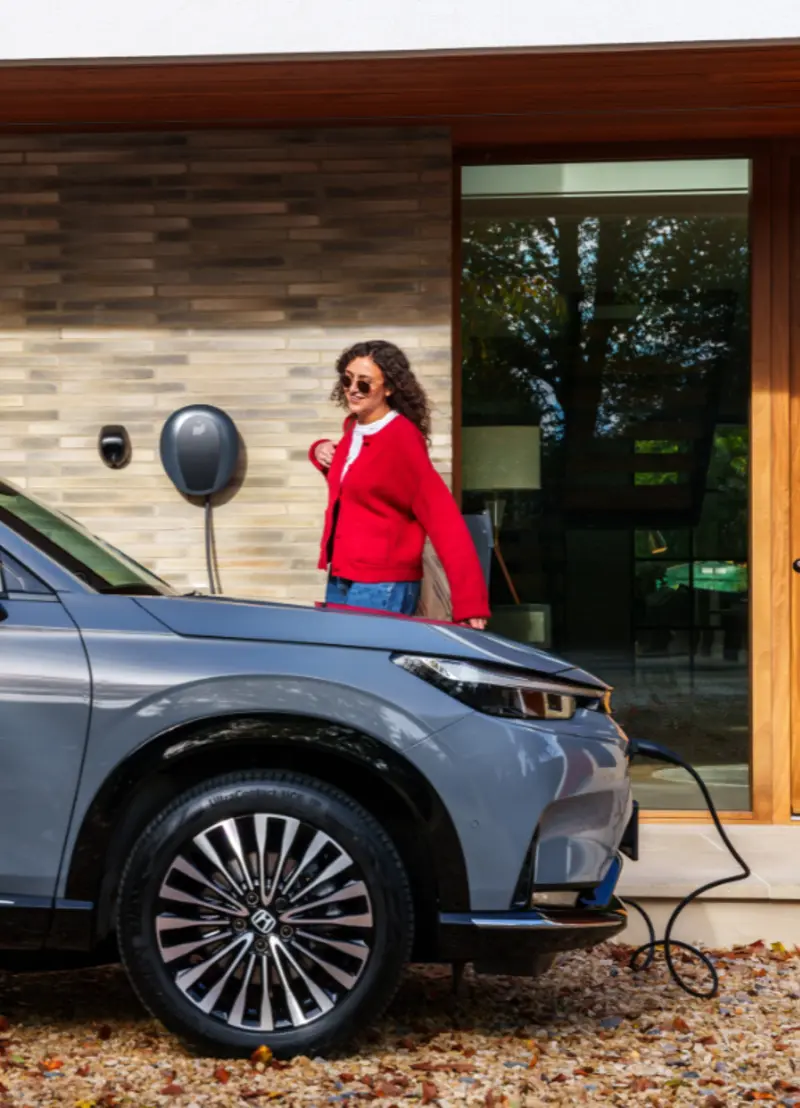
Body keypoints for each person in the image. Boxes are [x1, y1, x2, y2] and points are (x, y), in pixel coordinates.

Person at [309, 340, 490, 628]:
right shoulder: (354, 428)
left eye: (364, 383)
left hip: (382, 585)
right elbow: (357, 482)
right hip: (342, 576)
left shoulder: (402, 439)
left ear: (389, 388)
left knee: (365, 658)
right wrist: (319, 449)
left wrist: (470, 602)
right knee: (338, 656)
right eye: (347, 379)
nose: (353, 389)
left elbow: (443, 518)